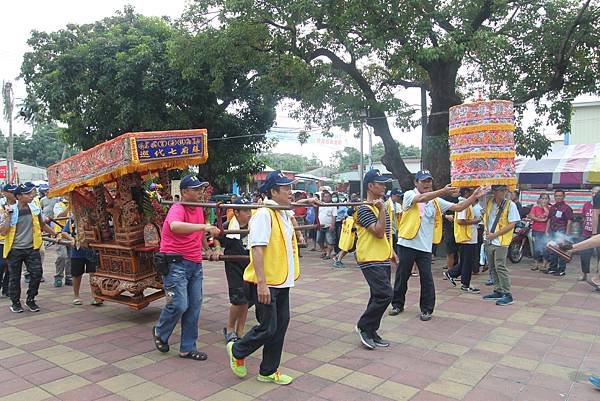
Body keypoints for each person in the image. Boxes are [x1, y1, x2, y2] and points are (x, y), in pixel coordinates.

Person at [226, 170, 310, 385]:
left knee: (281, 326)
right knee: (268, 327)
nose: (291, 192)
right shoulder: (264, 214)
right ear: (273, 191)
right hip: (266, 281)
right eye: (286, 188)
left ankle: (268, 371)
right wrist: (262, 283)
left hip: (281, 280)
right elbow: (257, 249)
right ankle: (237, 349)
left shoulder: (282, 212)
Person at [389, 170, 487, 321]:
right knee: (402, 277)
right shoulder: (409, 194)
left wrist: (474, 196)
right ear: (416, 183)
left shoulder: (436, 201)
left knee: (427, 279)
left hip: (425, 248)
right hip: (407, 244)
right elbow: (421, 198)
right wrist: (443, 191)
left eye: (429, 181)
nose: (427, 184)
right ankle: (397, 305)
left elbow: (458, 208)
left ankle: (427, 309)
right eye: (424, 181)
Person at [152, 174, 220, 361]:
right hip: (176, 265)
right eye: (196, 189)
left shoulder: (198, 209)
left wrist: (207, 249)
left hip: (194, 264)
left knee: (194, 307)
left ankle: (187, 348)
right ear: (184, 192)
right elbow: (175, 226)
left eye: (201, 189)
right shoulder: (177, 208)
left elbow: (198, 235)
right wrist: (204, 227)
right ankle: (160, 330)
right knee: (179, 304)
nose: (200, 192)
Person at [354, 169, 397, 349]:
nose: (384, 186)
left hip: (382, 257)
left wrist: (391, 251)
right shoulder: (364, 208)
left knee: (377, 295)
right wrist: (380, 209)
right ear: (371, 186)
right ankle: (363, 326)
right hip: (369, 258)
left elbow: (386, 233)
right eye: (380, 183)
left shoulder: (379, 206)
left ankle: (372, 330)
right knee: (385, 294)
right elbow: (378, 232)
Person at [2, 184, 56, 313]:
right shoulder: (10, 210)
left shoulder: (35, 209)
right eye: (27, 194)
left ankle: (30, 299)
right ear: (19, 196)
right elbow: (3, 232)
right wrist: (9, 216)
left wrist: (56, 234)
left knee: (37, 274)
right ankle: (15, 303)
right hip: (14, 249)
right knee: (14, 277)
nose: (32, 196)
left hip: (32, 248)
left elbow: (42, 225)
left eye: (32, 194)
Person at [213, 200, 253, 342]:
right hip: (234, 266)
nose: (249, 214)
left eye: (250, 210)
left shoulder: (254, 224)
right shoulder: (228, 225)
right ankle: (229, 328)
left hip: (250, 265)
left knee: (247, 299)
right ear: (236, 212)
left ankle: (240, 330)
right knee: (238, 298)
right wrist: (218, 249)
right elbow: (216, 237)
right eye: (246, 211)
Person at [482, 185, 521, 306]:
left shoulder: (510, 205)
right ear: (494, 191)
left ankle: (507, 294)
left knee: (500, 267)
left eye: (505, 190)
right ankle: (498, 290)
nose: (504, 192)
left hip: (501, 241)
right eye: (501, 190)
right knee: (492, 266)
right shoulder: (489, 202)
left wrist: (495, 234)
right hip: (489, 240)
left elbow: (512, 224)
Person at [444, 188, 482, 293]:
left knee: (466, 261)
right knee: (467, 263)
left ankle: (451, 273)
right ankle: (465, 284)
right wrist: (476, 221)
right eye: (471, 191)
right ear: (466, 193)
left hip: (470, 237)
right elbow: (460, 221)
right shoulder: (463, 204)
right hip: (466, 238)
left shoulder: (467, 204)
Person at [60, 216, 103, 306]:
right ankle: (76, 296)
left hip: (92, 250)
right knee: (77, 274)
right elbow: (64, 232)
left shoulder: (93, 218)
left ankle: (95, 296)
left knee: (93, 273)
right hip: (77, 251)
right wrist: (72, 239)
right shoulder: (73, 218)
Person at [544, 189, 573, 276]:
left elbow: (569, 221)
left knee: (561, 251)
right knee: (552, 250)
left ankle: (561, 270)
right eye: (556, 196)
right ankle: (553, 268)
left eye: (560, 196)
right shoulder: (553, 207)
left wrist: (566, 234)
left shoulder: (567, 208)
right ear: (554, 197)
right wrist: (546, 230)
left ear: (564, 197)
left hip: (562, 232)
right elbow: (549, 219)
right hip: (552, 231)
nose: (558, 197)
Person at [578, 187, 600, 282]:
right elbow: (584, 217)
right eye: (593, 193)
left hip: (597, 235)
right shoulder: (586, 205)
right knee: (584, 254)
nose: (594, 195)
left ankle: (597, 276)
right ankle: (584, 273)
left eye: (596, 193)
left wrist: (594, 233)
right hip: (586, 233)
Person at [0, 184, 17, 297]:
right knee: (1, 265)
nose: (13, 194)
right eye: (10, 192)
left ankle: (7, 288)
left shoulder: (21, 205)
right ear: (5, 193)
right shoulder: (2, 206)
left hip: (14, 241)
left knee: (12, 266)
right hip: (1, 241)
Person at [53, 197, 72, 287]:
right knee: (62, 256)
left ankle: (69, 277)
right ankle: (58, 277)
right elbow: (60, 216)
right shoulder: (58, 205)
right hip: (60, 235)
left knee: (70, 257)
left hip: (71, 235)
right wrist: (69, 207)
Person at [528, 193, 550, 271]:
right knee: (536, 248)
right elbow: (532, 216)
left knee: (545, 248)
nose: (544, 200)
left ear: (548, 200)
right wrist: (542, 220)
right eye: (542, 198)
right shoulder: (535, 208)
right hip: (536, 230)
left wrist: (544, 207)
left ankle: (544, 264)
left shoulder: (549, 208)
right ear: (539, 199)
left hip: (545, 231)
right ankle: (536, 264)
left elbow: (548, 217)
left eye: (546, 198)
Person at [317, 191, 336, 259]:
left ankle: (328, 254)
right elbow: (317, 214)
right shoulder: (320, 205)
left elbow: (334, 216)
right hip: (320, 225)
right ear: (323, 197)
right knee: (319, 240)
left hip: (329, 225)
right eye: (325, 196)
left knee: (329, 241)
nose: (327, 198)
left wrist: (332, 225)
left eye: (328, 196)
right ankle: (324, 251)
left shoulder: (333, 205)